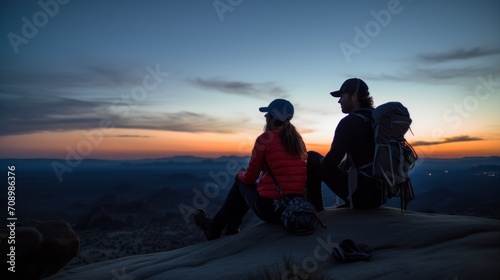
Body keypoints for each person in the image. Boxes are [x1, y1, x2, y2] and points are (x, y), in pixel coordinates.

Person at [194, 99, 308, 240]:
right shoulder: (298, 142)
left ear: (273, 117)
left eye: (268, 114)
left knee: (241, 181)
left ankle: (216, 227)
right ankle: (232, 227)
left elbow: (250, 178)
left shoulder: (265, 139)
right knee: (245, 181)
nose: (265, 117)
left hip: (271, 210)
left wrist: (240, 174)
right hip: (295, 209)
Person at [306, 78, 382, 210]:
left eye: (342, 96)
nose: (339, 101)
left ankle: (315, 210)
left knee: (311, 157)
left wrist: (320, 164)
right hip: (379, 195)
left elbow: (331, 163)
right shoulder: (375, 120)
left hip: (361, 195)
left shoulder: (349, 122)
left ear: (354, 97)